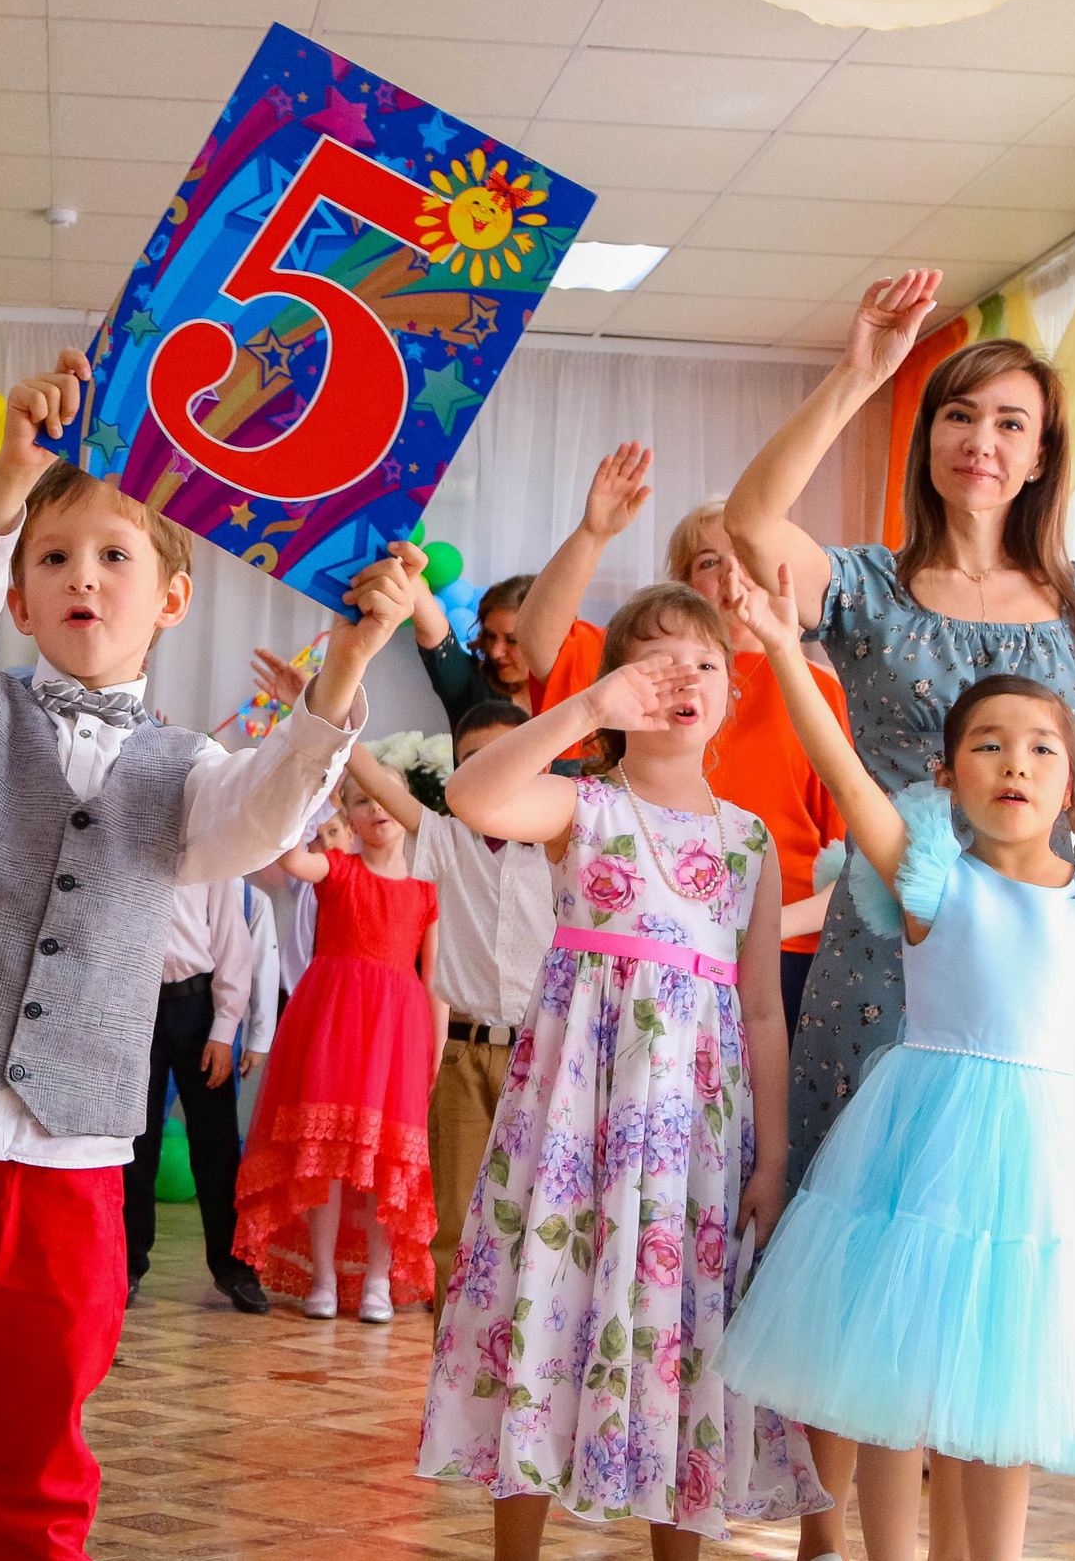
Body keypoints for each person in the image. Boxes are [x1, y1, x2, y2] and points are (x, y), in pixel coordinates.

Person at [0, 347, 407, 1561]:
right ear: (18, 592)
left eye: (114, 556)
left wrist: (346, 668)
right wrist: (6, 481)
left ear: (172, 595)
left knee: (43, 1462)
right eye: (52, 558)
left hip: (72, 1157)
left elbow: (264, 815)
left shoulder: (192, 773)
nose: (81, 578)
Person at [727, 273, 1075, 1554]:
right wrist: (861, 366)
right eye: (961, 414)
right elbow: (752, 522)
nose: (983, 439)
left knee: (989, 1293)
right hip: (885, 948)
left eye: (1012, 422)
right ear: (930, 440)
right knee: (870, 1277)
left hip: (1027, 974)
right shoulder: (861, 578)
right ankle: (830, 1535)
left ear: (1040, 456)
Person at [721, 565, 1075, 1561]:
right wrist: (783, 646)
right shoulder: (928, 874)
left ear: (1070, 780)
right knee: (897, 1373)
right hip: (922, 1131)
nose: (1014, 763)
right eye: (986, 745)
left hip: (1047, 1158)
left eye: (1040, 747)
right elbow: (850, 776)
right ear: (948, 776)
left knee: (1009, 1378)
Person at [418, 582, 822, 1555]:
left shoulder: (747, 839)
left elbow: (762, 1008)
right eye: (655, 661)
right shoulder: (581, 805)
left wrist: (769, 1160)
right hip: (572, 1123)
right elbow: (470, 795)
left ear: (734, 688)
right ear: (616, 686)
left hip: (694, 1135)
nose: (683, 679)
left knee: (678, 1328)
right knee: (542, 1299)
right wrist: (587, 710)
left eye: (706, 663)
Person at [518, 447, 848, 1036]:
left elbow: (853, 860)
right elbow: (540, 644)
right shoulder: (644, 675)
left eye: (745, 556)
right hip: (647, 949)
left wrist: (759, 926)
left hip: (787, 956)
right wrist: (593, 534)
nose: (730, 577)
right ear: (683, 585)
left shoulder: (818, 688)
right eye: (708, 561)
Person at [279, 682, 545, 1309]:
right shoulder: (445, 842)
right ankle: (455, 1376)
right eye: (474, 761)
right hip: (460, 1055)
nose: (492, 774)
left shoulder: (565, 846)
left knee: (539, 1219)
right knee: (452, 1226)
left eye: (508, 758)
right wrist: (325, 712)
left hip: (543, 1054)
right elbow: (375, 781)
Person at [232, 752, 437, 1323]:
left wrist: (435, 1048)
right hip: (333, 1024)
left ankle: (376, 1279)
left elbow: (436, 981)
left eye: (385, 798)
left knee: (381, 1164)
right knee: (322, 1162)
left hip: (397, 1032)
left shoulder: (426, 891)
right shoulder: (338, 870)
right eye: (361, 800)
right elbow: (294, 858)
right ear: (344, 813)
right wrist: (308, 775)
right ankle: (323, 1278)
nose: (376, 809)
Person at [124, 879, 267, 1313]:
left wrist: (224, 1030)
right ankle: (125, 1265)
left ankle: (235, 1269)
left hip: (196, 1006)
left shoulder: (213, 855)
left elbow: (232, 945)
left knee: (217, 1146)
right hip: (135, 1006)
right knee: (133, 1144)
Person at [415, 571, 537, 727]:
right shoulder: (470, 683)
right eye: (491, 636)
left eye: (512, 640)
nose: (495, 652)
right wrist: (409, 573)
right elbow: (432, 630)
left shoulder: (574, 691)